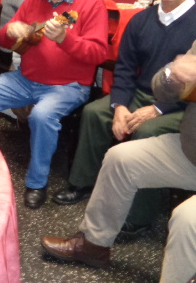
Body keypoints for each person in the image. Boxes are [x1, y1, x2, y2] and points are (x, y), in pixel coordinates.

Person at [53, 0, 196, 233]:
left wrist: (158, 109)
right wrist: (120, 106)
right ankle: (83, 183)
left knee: (147, 131)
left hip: (182, 106)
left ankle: (139, 216)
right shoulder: (141, 20)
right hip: (141, 93)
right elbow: (125, 68)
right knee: (95, 113)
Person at [0, 0, 109, 209]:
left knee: (42, 115)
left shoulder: (91, 2)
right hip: (27, 78)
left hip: (69, 85)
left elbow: (99, 53)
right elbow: (4, 39)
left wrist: (66, 39)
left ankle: (36, 182)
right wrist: (10, 31)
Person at [41, 43, 196, 282]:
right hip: (190, 149)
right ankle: (93, 247)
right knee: (120, 159)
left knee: (188, 221)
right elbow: (162, 89)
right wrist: (172, 75)